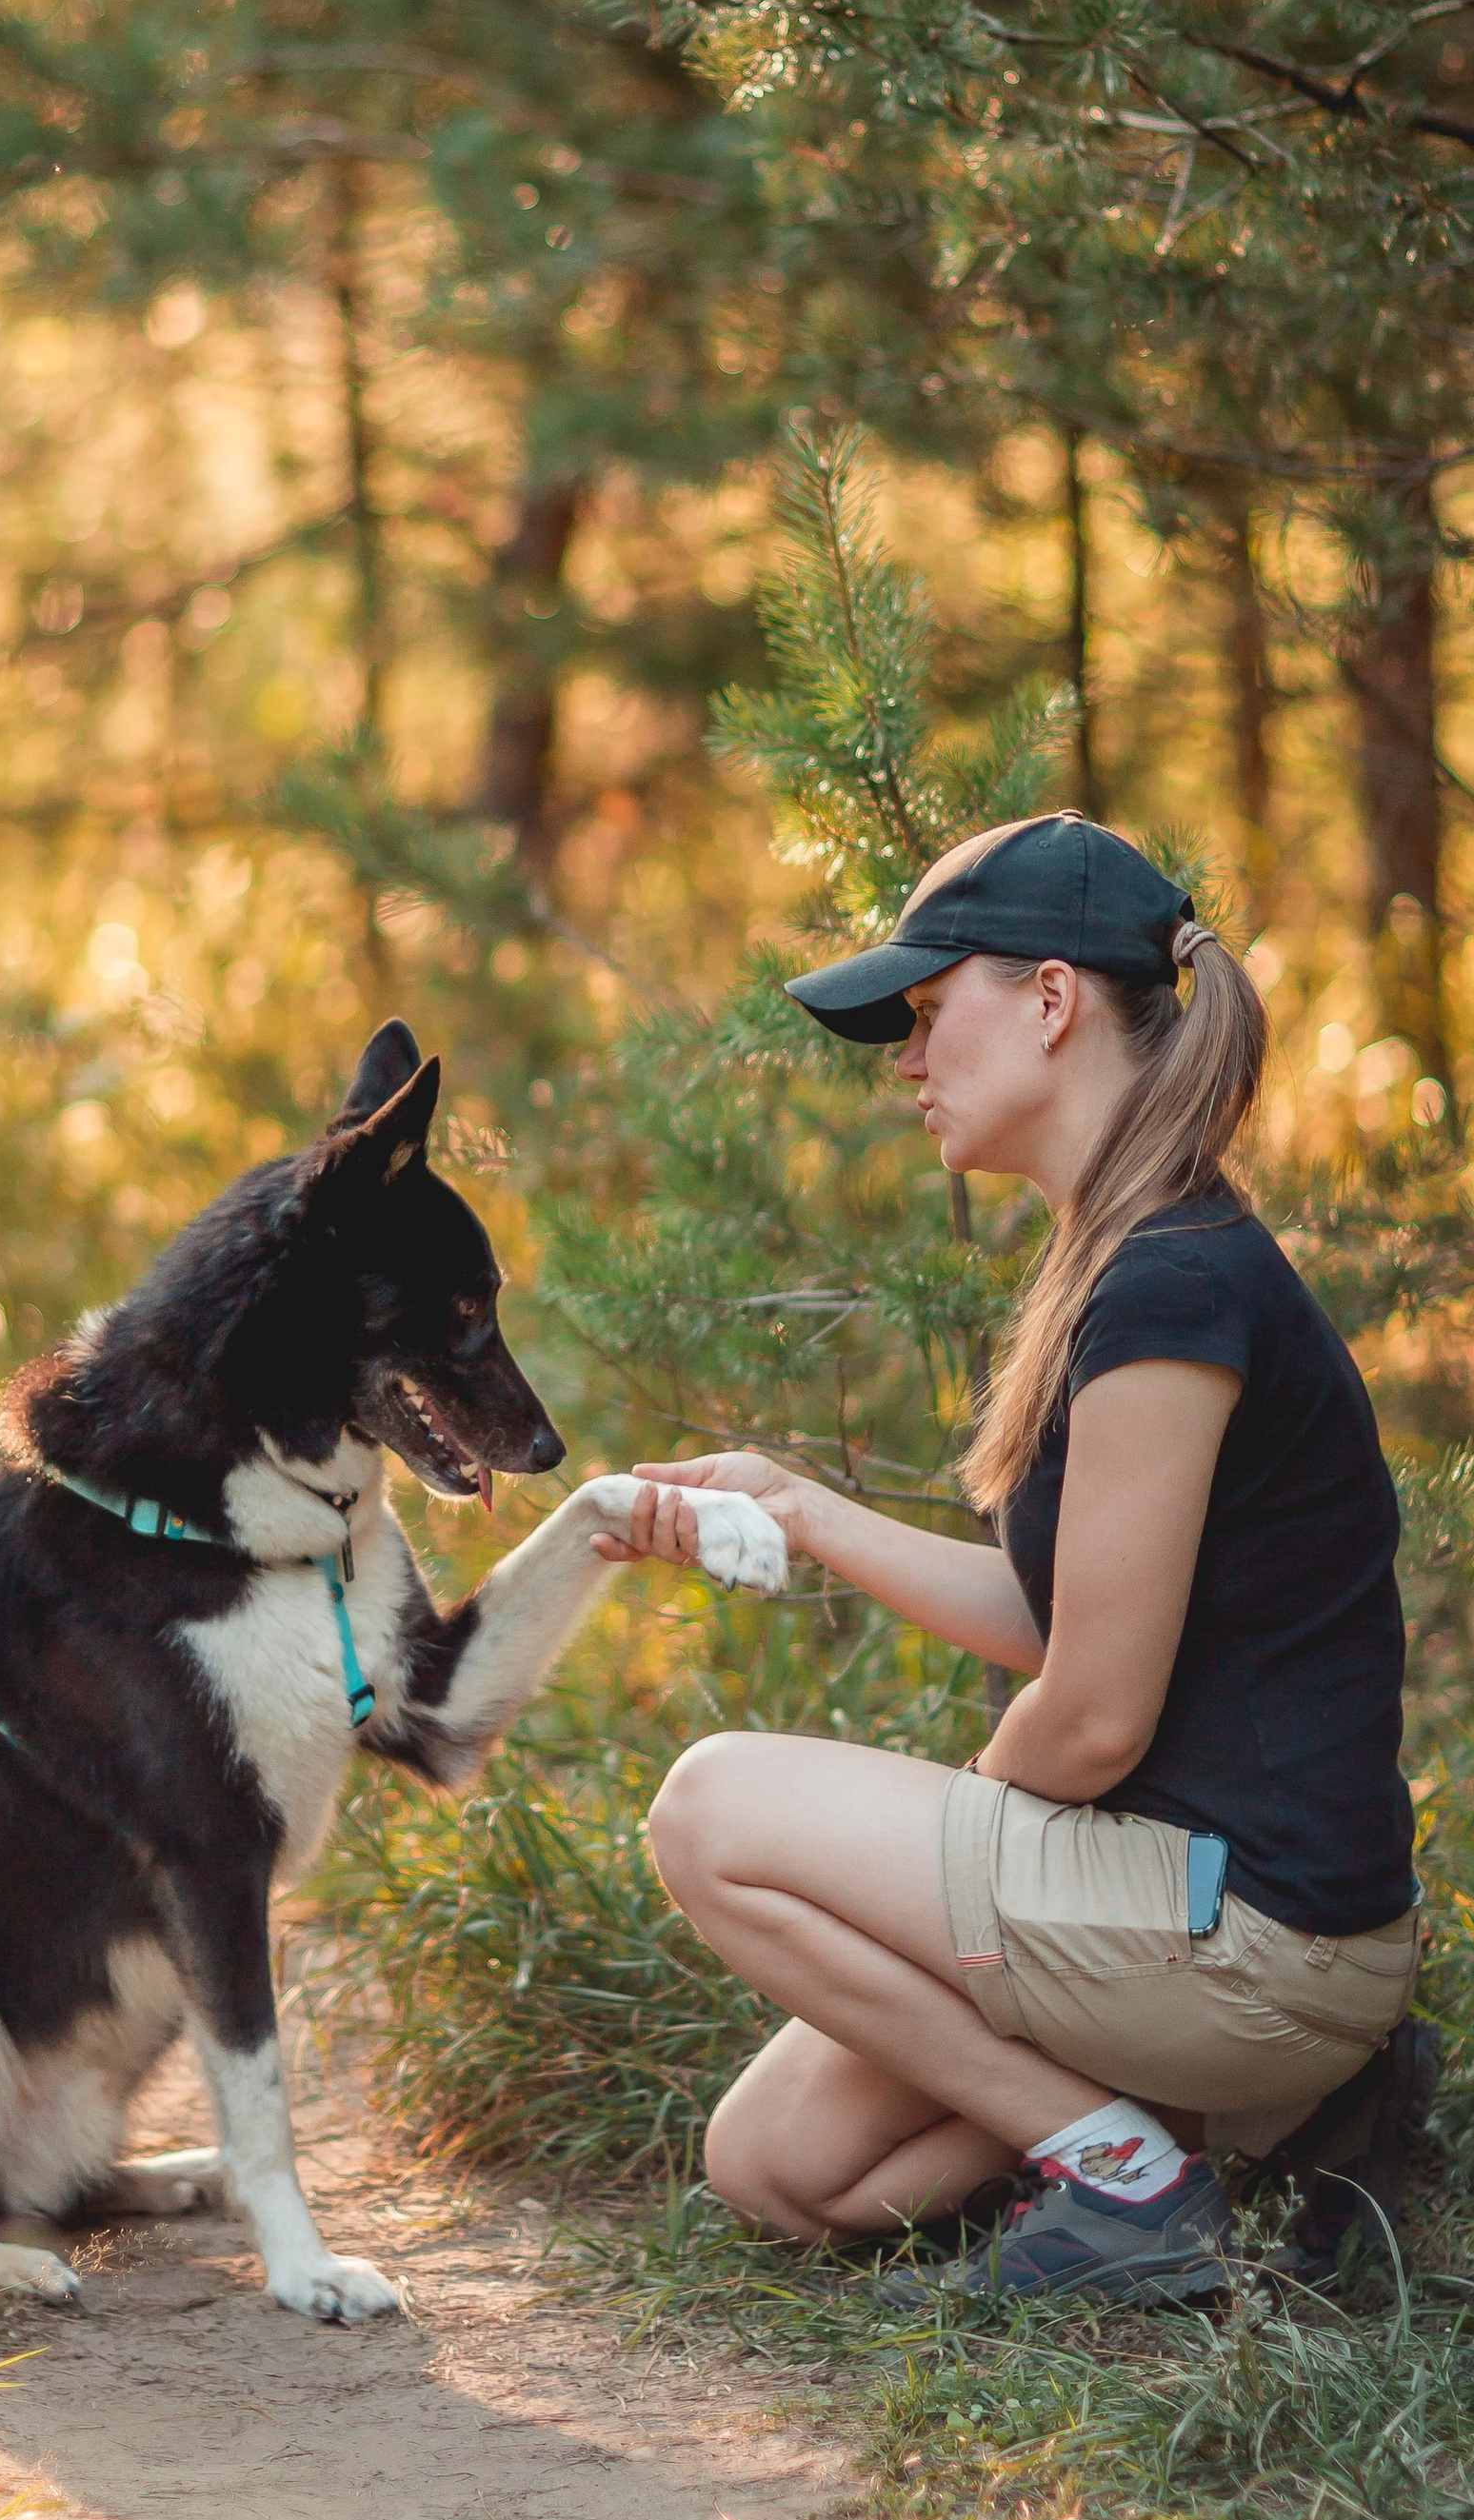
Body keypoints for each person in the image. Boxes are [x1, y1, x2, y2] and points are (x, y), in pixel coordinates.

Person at [594, 813, 1424, 2305]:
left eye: (927, 1013)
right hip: (1181, 1922)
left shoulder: (1173, 1284)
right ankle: (1227, 2126)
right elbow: (1063, 1624)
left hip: (1257, 1931)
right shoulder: (1127, 1258)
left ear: (1050, 1001)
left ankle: (1132, 2178)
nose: (904, 1061)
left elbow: (1094, 1716)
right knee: (782, 2165)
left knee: (709, 1805)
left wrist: (963, 1829)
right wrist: (804, 1512)